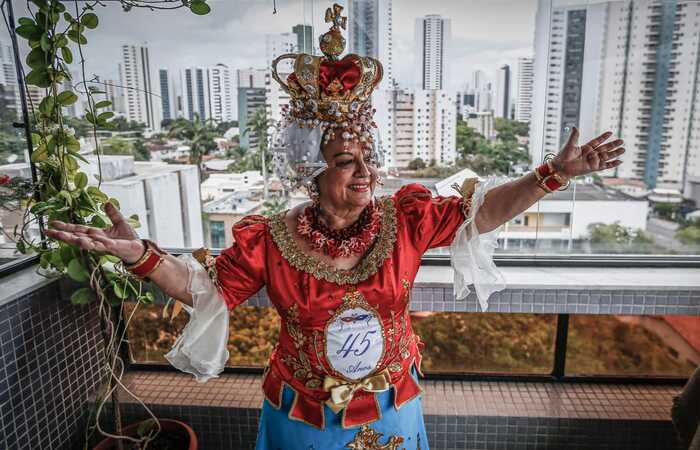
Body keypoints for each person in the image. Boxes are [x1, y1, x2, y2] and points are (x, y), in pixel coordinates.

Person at [45, 4, 625, 449]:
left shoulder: (409, 216)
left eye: (367, 159)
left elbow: (485, 212)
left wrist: (551, 174)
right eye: (346, 161)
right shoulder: (269, 236)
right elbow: (205, 288)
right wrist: (141, 255)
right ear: (311, 172)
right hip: (302, 411)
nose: (365, 172)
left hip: (393, 399)